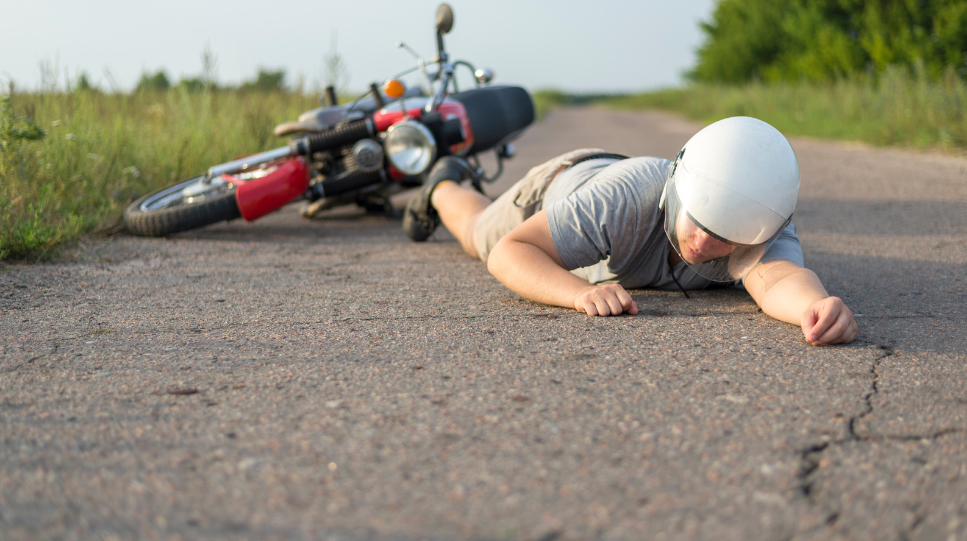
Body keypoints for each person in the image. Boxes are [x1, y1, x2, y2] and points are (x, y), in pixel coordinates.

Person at [401, 116, 857, 346]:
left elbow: (779, 279)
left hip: (611, 187)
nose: (702, 243)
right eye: (696, 222)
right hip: (562, 184)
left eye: (724, 237)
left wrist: (815, 309)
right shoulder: (624, 202)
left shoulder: (760, 217)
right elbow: (510, 251)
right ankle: (443, 182)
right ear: (681, 188)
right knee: (476, 231)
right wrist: (576, 292)